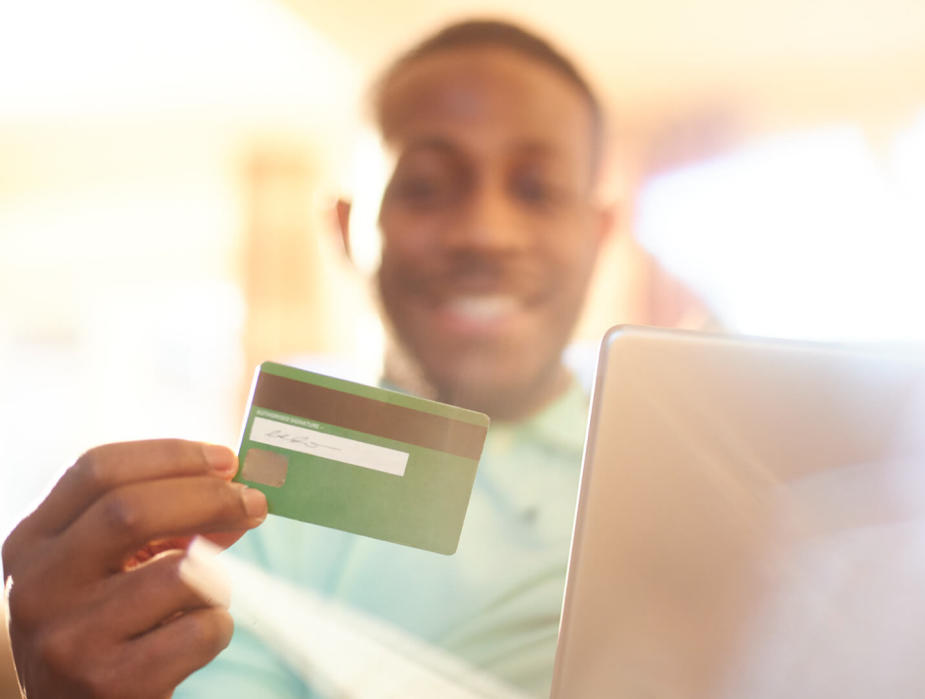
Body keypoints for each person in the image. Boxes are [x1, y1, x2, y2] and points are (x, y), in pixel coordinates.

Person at [2, 19, 611, 698]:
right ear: (348, 229)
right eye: (426, 187)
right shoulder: (248, 525)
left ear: (600, 232)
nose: (484, 234)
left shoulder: (679, 475)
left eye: (535, 190)